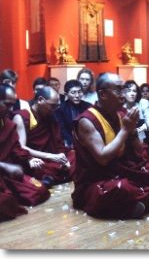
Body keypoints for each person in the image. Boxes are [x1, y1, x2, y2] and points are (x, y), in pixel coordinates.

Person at [71, 72, 149, 219]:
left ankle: (140, 202)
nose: (124, 95)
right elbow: (102, 158)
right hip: (98, 179)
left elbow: (139, 149)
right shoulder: (87, 120)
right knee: (121, 188)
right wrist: (125, 129)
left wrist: (133, 131)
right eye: (118, 90)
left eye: (125, 89)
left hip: (123, 171)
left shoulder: (122, 114)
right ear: (102, 94)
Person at [0, 84, 50, 215]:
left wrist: (29, 160)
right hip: (4, 171)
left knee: (40, 191)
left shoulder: (7, 123)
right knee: (6, 201)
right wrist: (4, 166)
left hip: (7, 175)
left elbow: (16, 147)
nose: (11, 109)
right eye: (7, 104)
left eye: (13, 104)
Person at [12, 86, 76, 188]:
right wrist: (51, 156)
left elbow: (58, 143)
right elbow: (21, 148)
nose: (55, 110)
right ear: (40, 100)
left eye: (57, 106)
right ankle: (56, 175)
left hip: (54, 158)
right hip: (36, 158)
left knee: (76, 156)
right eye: (52, 106)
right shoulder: (22, 117)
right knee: (39, 167)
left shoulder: (51, 116)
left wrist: (62, 157)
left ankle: (55, 175)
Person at [55, 80, 92, 149]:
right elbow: (62, 129)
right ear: (66, 94)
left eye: (79, 92)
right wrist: (71, 142)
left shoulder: (88, 106)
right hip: (69, 143)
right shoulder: (60, 109)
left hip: (88, 141)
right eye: (73, 93)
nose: (77, 95)